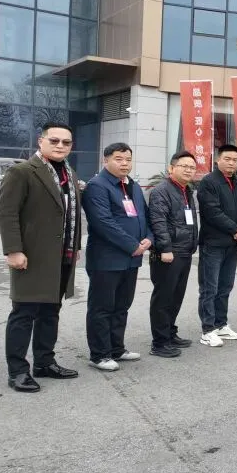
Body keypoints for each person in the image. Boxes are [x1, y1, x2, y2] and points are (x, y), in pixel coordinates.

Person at [0, 121, 83, 392]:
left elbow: (72, 214)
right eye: (54, 140)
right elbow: (6, 212)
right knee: (23, 313)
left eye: (66, 142)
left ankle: (44, 362)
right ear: (40, 141)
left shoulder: (68, 172)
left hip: (61, 255)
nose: (60, 146)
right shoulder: (22, 171)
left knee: (50, 312)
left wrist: (76, 246)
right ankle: (18, 371)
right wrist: (13, 250)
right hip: (31, 256)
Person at [81, 143, 151, 371]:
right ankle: (99, 354)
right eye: (119, 159)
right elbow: (103, 222)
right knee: (102, 307)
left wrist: (149, 239)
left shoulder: (133, 186)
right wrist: (132, 245)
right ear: (106, 160)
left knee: (122, 306)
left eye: (128, 159)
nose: (124, 164)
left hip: (132, 259)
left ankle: (116, 348)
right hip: (107, 259)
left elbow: (145, 216)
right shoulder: (97, 186)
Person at [147, 151, 200, 358]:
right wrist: (165, 249)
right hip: (169, 253)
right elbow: (158, 221)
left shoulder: (186, 190)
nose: (188, 170)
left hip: (184, 251)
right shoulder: (162, 191)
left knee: (176, 296)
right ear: (171, 168)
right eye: (184, 166)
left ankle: (169, 332)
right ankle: (159, 342)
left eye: (192, 167)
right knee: (163, 298)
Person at [195, 144, 237, 347]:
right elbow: (212, 212)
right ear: (218, 160)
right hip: (213, 243)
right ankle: (207, 329)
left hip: (232, 244)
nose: (231, 163)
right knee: (210, 288)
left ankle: (221, 324)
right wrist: (236, 229)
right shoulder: (209, 182)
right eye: (227, 159)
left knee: (225, 286)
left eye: (235, 160)